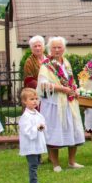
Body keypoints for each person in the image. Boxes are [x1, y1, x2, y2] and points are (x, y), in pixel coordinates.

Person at [38, 36, 85, 171]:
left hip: (69, 102)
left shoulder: (67, 63)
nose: (57, 50)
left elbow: (71, 80)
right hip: (54, 103)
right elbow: (43, 84)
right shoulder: (46, 65)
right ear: (49, 49)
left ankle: (72, 161)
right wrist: (61, 89)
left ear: (64, 48)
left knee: (73, 129)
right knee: (54, 131)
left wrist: (74, 90)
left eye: (59, 47)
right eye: (54, 47)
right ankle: (56, 164)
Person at [18, 87, 48, 183]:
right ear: (24, 101)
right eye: (31, 99)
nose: (35, 101)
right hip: (30, 145)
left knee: (36, 163)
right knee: (33, 165)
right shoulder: (25, 116)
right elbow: (27, 131)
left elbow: (43, 124)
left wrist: (42, 127)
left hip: (37, 143)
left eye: (36, 98)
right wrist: (37, 128)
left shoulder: (37, 114)